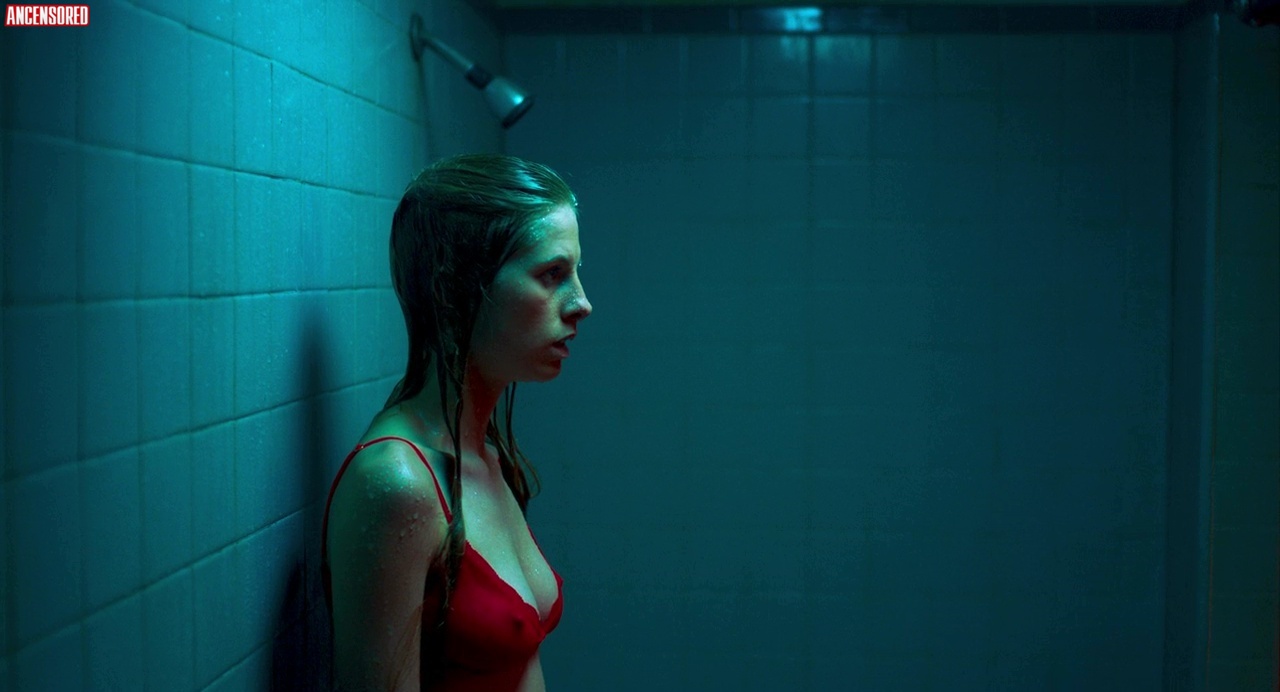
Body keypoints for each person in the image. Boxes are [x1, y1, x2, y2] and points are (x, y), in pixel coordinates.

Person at [321, 153, 592, 692]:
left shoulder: (487, 453)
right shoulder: (398, 484)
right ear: (459, 287)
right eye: (552, 274)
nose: (581, 303)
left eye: (575, 272)